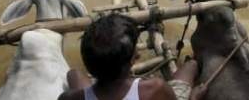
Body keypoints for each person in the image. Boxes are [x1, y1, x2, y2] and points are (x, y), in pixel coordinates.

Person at [58, 13, 206, 100]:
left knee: (74, 74)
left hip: (96, 89)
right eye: (135, 51)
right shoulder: (153, 88)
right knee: (190, 66)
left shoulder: (68, 98)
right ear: (131, 61)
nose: (138, 53)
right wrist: (193, 97)